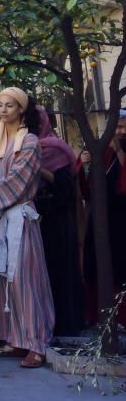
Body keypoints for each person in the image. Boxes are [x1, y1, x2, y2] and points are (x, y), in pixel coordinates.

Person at [0, 88, 54, 369]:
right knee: (5, 280)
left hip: (19, 218)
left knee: (25, 281)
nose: (4, 110)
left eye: (10, 105)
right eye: (0, 105)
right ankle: (17, 337)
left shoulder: (28, 141)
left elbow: (18, 181)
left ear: (21, 109)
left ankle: (37, 344)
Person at [34, 107, 84, 337]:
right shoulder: (21, 147)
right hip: (35, 220)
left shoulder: (56, 149)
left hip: (57, 219)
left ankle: (66, 324)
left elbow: (65, 187)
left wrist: (40, 170)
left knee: (61, 271)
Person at [80, 110, 126, 326]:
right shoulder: (103, 151)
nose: (120, 132)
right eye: (117, 128)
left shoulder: (116, 150)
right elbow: (88, 189)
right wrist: (84, 164)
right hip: (102, 216)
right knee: (95, 262)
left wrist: (119, 153)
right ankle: (100, 314)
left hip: (122, 217)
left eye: (124, 127)